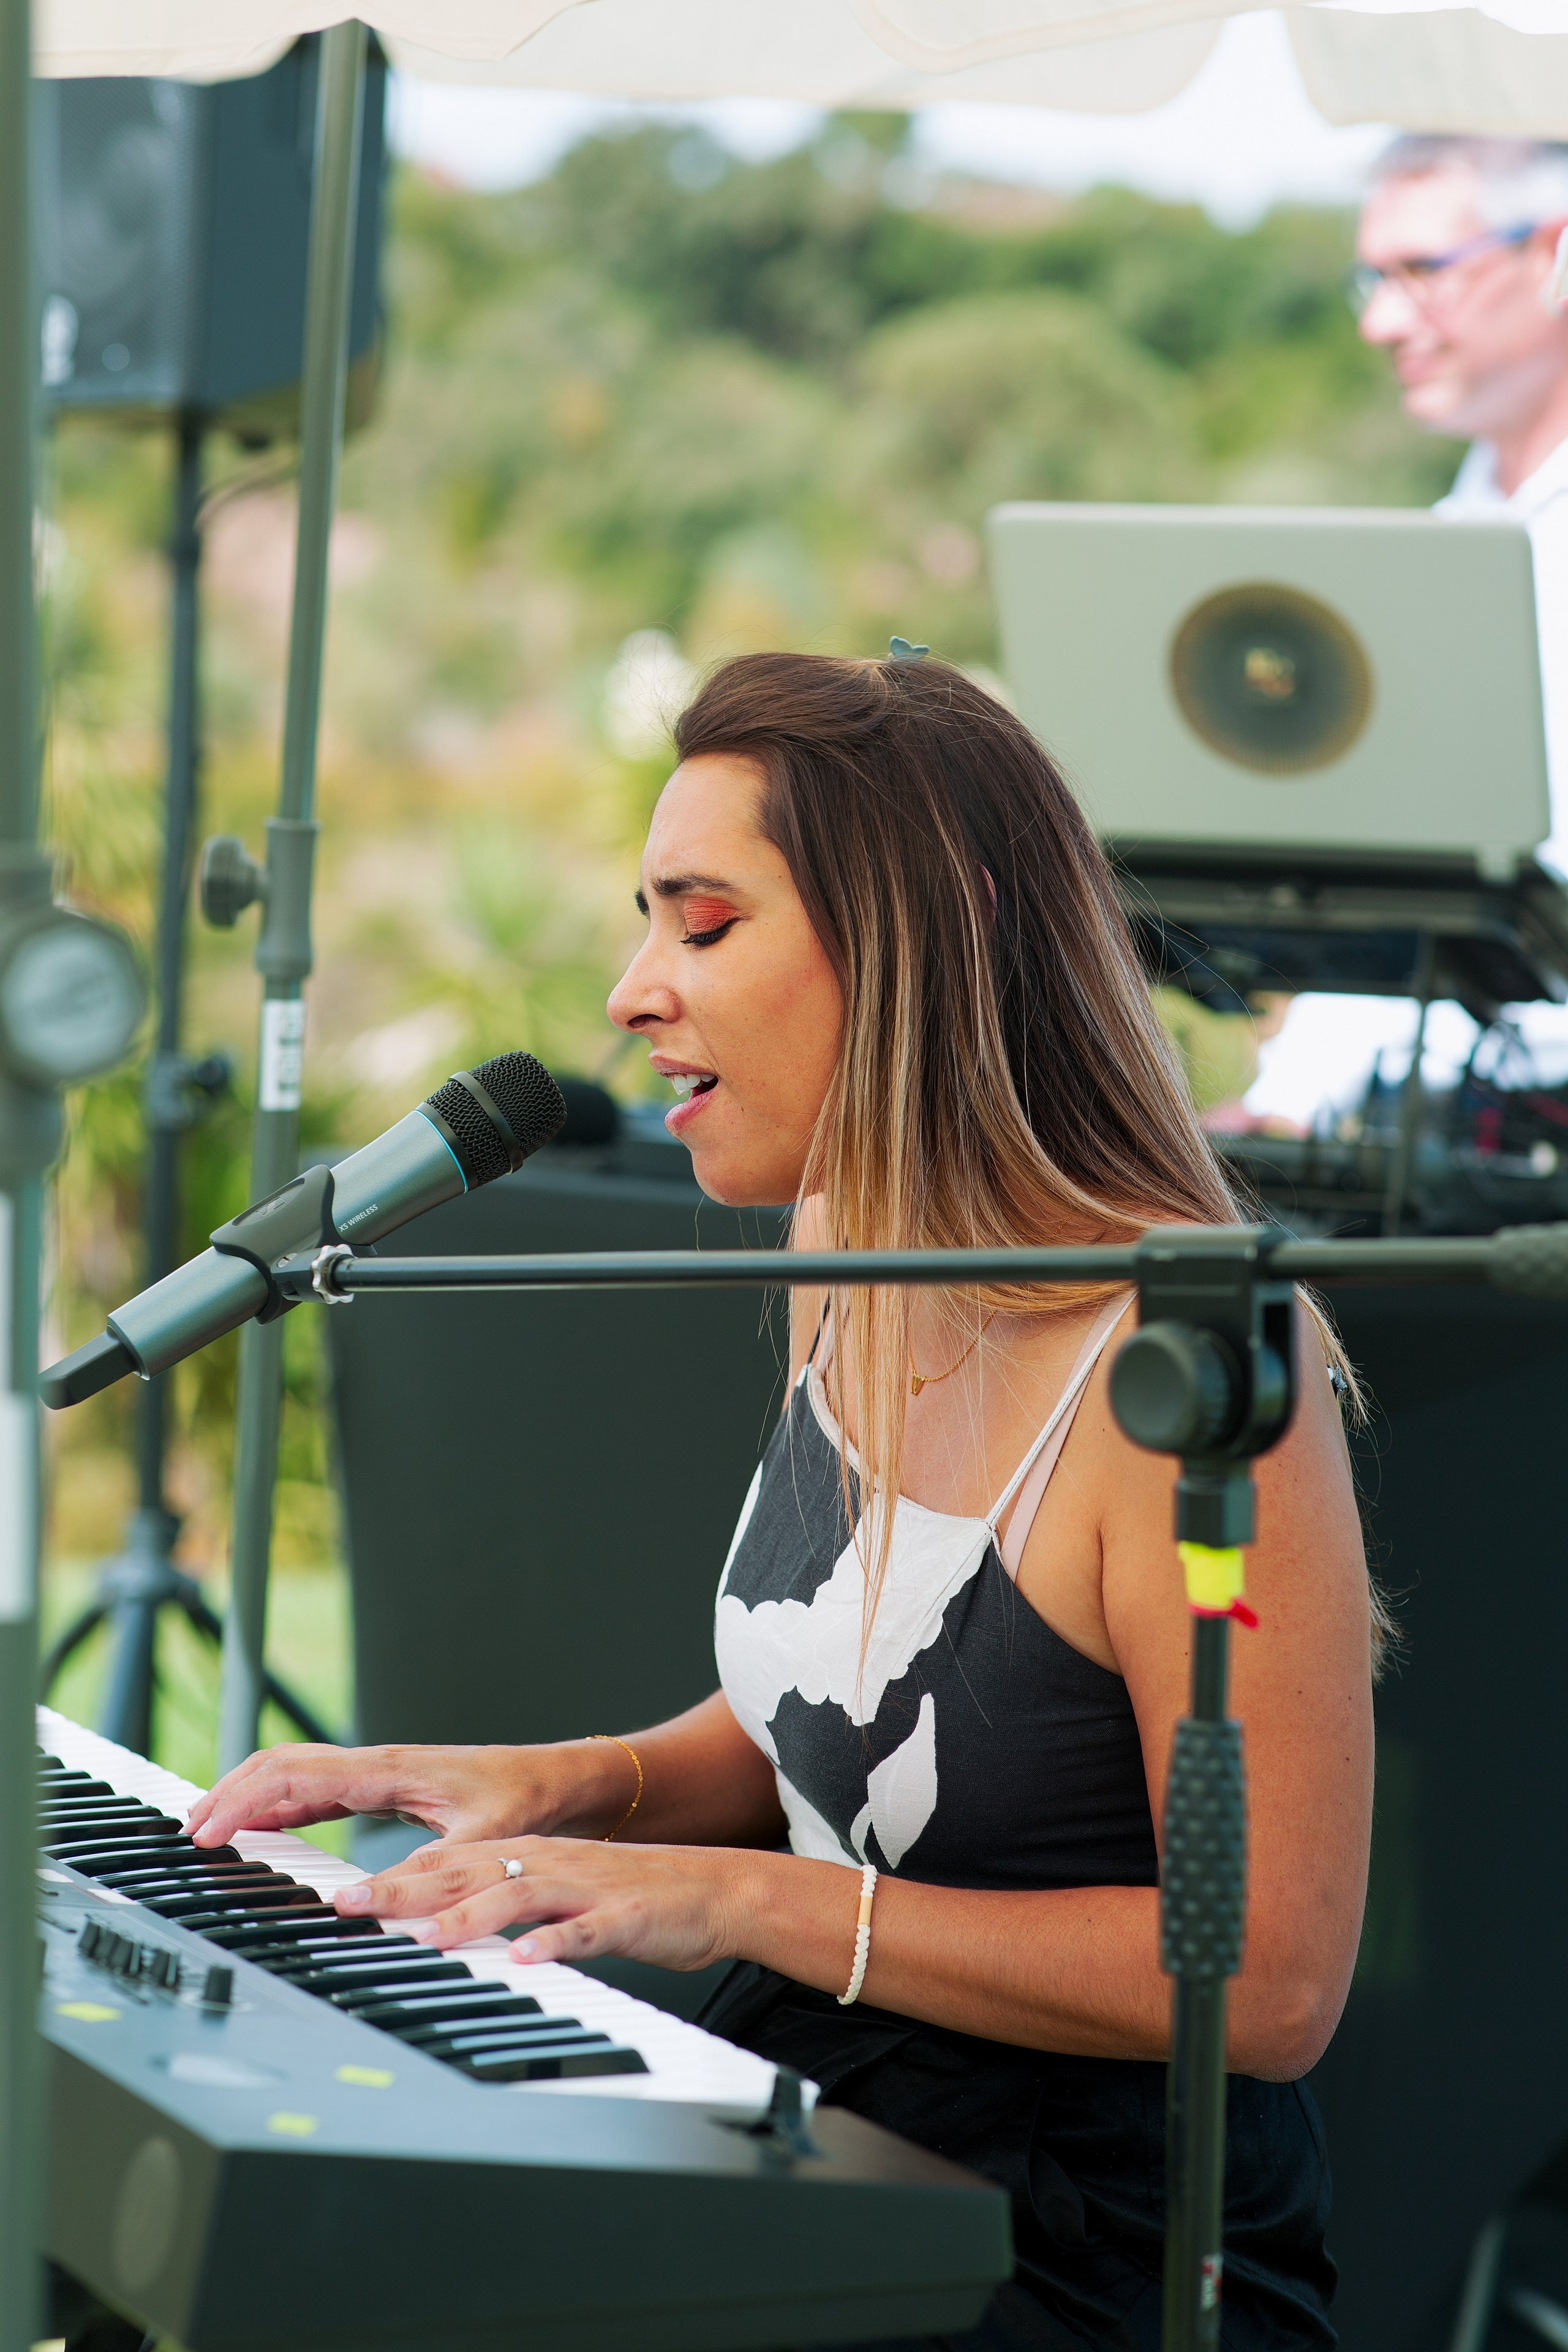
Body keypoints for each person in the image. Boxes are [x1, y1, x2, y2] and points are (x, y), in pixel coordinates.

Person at [188, 653, 1376, 2351]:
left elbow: (1269, 1982)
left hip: (1087, 2240)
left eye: (704, 923)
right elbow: (853, 1720)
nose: (630, 991)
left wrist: (735, 1906)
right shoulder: (847, 1249)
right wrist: (558, 1788)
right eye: (646, 922)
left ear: (919, 938)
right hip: (818, 2103)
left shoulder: (1192, 1367)